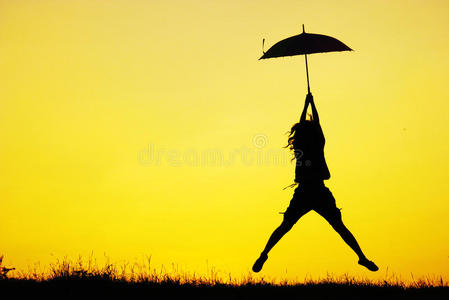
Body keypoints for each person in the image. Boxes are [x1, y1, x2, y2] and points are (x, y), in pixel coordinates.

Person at [252, 93, 378, 273]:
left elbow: (309, 125)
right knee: (339, 228)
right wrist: (311, 104)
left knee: (285, 226)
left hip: (305, 192)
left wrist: (306, 106)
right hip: (317, 191)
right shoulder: (316, 144)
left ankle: (264, 254)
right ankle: (362, 257)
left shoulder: (300, 147)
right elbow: (316, 125)